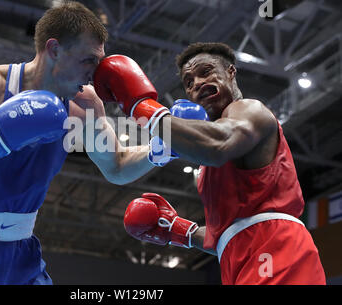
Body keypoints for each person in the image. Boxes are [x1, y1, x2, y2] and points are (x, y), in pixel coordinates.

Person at [0, 1, 157, 285]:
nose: (94, 74)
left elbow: (118, 166)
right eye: (88, 60)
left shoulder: (85, 104)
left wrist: (163, 148)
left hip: (19, 255)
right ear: (54, 49)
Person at [94, 43, 326, 284]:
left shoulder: (250, 111)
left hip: (277, 249)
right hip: (240, 258)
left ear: (231, 72)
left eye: (206, 71)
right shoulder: (207, 165)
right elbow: (231, 235)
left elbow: (218, 145)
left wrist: (139, 107)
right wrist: (180, 230)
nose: (197, 83)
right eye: (189, 82)